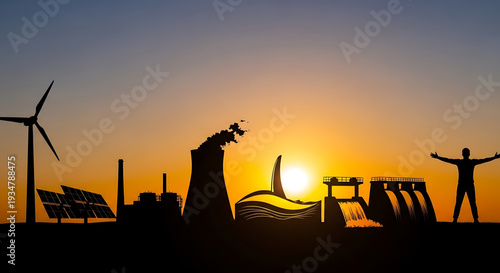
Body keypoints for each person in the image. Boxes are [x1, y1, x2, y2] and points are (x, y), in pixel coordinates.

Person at [430, 148, 500, 223]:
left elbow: (448, 160)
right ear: (469, 154)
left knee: (460, 202)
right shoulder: (471, 162)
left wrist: (438, 157)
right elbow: (484, 160)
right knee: (471, 202)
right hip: (468, 185)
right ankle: (474, 219)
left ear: (462, 154)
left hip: (462, 185)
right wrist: (494, 157)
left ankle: (456, 219)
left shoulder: (460, 162)